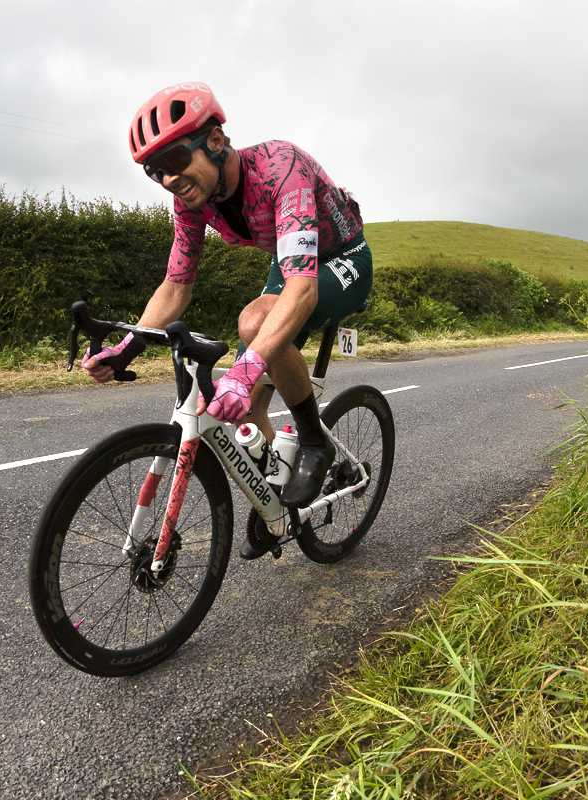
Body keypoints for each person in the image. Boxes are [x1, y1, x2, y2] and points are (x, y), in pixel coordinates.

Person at [83, 81, 373, 560]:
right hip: (292, 259)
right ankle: (276, 508)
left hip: (344, 258)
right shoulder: (192, 200)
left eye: (175, 161)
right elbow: (177, 285)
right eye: (155, 173)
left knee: (253, 327)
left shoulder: (281, 168)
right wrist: (128, 346)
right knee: (240, 407)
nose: (169, 180)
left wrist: (246, 367)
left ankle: (314, 442)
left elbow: (301, 290)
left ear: (215, 142)